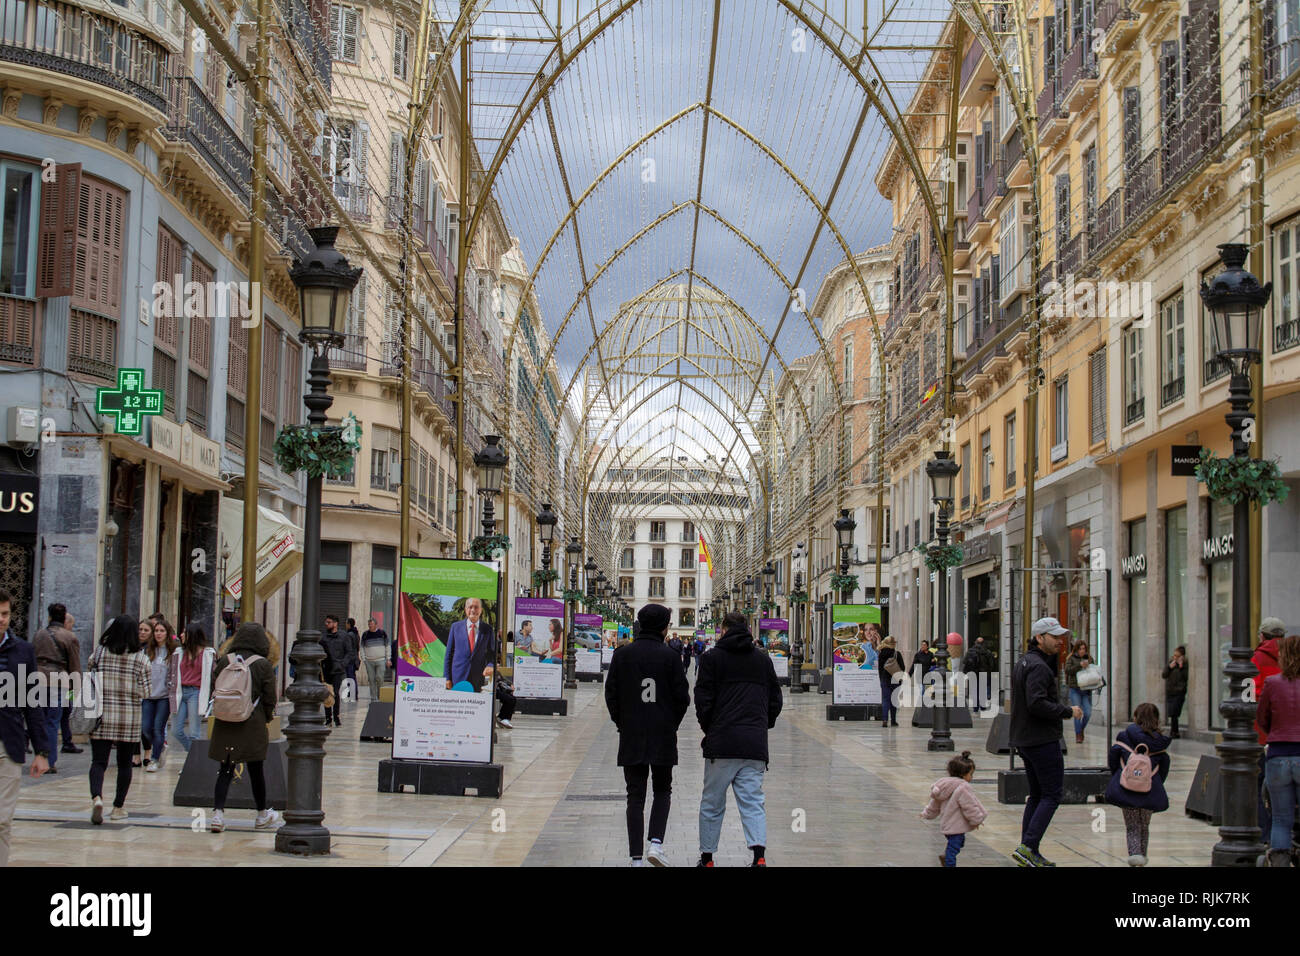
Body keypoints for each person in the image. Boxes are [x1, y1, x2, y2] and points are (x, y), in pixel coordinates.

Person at [695, 611, 783, 867]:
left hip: (721, 745)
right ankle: (759, 857)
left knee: (712, 803)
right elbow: (776, 699)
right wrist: (761, 726)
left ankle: (708, 858)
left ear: (723, 629)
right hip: (753, 745)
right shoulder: (762, 660)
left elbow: (703, 700)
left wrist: (710, 728)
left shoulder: (711, 659)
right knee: (753, 802)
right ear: (747, 629)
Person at [605, 604, 690, 866]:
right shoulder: (670, 657)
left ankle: (635, 858)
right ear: (664, 628)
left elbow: (611, 695)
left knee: (635, 795)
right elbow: (683, 698)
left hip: (632, 733)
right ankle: (656, 843)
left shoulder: (622, 655)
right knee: (663, 790)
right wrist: (671, 724)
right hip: (663, 734)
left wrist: (622, 722)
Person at [1008, 617, 1083, 867]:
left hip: (1026, 738)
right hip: (1041, 739)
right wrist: (1066, 711)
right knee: (1052, 794)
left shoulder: (1024, 662)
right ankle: (1028, 845)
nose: (1060, 641)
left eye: (1061, 636)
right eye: (1054, 637)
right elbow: (1037, 702)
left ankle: (1028, 850)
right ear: (1040, 638)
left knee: (1037, 794)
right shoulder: (1039, 667)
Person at [208, 622, 282, 833]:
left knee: (225, 768)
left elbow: (215, 687)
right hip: (252, 722)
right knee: (256, 770)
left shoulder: (224, 661)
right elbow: (270, 697)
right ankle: (261, 814)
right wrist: (267, 717)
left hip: (226, 722)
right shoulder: (262, 664)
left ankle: (218, 814)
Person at [0, 589, 50, 865]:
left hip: (9, 744)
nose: (1, 619)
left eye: (5, 614)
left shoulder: (23, 651)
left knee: (2, 819)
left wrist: (42, 751)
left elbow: (33, 703)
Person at [87, 616, 150, 824]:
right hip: (129, 718)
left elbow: (90, 673)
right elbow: (146, 692)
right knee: (124, 764)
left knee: (98, 762)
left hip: (101, 715)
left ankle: (97, 797)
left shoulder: (100, 653)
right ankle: (118, 807)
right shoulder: (141, 659)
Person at [1105, 702, 1172, 867]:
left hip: (1127, 790)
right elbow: (1164, 767)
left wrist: (1121, 776)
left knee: (1132, 826)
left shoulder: (1124, 738)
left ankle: (1135, 856)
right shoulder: (1160, 744)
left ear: (1135, 718)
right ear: (1156, 720)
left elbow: (1113, 759)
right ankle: (1142, 857)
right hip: (1149, 791)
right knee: (1144, 826)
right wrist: (1153, 782)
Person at [1258, 634, 1300, 867]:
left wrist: (1275, 731)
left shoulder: (1273, 683)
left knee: (1281, 818)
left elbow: (1261, 718)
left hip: (1278, 755)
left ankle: (1281, 862)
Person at [32, 603, 81, 774]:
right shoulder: (69, 637)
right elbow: (74, 664)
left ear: (50, 617)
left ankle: (39, 755)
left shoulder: (39, 634)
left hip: (37, 679)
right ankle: (49, 760)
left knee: (38, 719)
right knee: (52, 721)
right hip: (58, 680)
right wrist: (75, 688)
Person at [921, 750, 987, 866]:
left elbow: (935, 803)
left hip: (947, 824)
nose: (971, 777)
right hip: (957, 826)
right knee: (954, 849)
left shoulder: (944, 785)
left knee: (958, 843)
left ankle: (946, 857)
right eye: (970, 774)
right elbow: (969, 806)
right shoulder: (963, 787)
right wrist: (977, 820)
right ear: (963, 774)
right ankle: (949, 862)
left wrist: (927, 813)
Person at [1252, 618, 1286, 840]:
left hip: (1262, 736)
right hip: (1290, 738)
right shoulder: (1293, 658)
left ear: (1263, 636)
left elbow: (1250, 699)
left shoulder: (1256, 659)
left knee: (1256, 786)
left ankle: (1266, 834)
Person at [170, 625, 214, 753]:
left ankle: (193, 761)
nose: (181, 635)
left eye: (185, 633)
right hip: (180, 691)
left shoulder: (207, 654)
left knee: (195, 731)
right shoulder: (179, 652)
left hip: (196, 692)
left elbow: (211, 675)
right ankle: (194, 754)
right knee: (176, 730)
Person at [141, 618, 176, 770]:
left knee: (157, 728)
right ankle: (159, 746)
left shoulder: (173, 652)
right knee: (145, 728)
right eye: (156, 631)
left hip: (164, 696)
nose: (158, 634)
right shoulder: (147, 651)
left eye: (162, 631)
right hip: (148, 695)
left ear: (167, 633)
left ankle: (154, 759)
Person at [444, 598, 496, 692]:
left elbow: (492, 654)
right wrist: (447, 678)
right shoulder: (455, 627)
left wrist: (490, 665)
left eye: (476, 607)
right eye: (470, 607)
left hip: (477, 678)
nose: (473, 610)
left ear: (481, 610)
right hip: (457, 677)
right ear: (465, 609)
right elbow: (449, 654)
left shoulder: (487, 629)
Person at [1064, 639, 1095, 744]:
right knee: (1077, 712)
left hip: (1086, 689)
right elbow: (1067, 670)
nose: (1082, 651)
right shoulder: (1071, 658)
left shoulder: (1089, 658)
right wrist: (1079, 666)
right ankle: (1078, 734)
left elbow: (1093, 671)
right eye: (1080, 649)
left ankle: (1081, 729)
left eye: (1084, 649)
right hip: (1075, 688)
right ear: (1076, 649)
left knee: (1088, 712)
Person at [320, 614, 348, 726]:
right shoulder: (323, 637)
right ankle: (328, 718)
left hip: (338, 669)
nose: (326, 624)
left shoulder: (344, 636)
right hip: (326, 669)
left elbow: (350, 652)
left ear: (335, 623)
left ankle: (336, 717)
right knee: (327, 693)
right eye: (326, 622)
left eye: (329, 622)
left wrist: (342, 664)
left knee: (335, 692)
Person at [1162, 645, 1188, 740]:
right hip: (1170, 691)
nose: (1175, 658)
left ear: (1182, 656)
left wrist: (1181, 667)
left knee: (1174, 712)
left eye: (1177, 656)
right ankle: (1175, 732)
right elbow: (1164, 675)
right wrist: (1169, 667)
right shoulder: (1171, 663)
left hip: (1179, 691)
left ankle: (1174, 732)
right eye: (1174, 656)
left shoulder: (1185, 665)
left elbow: (1186, 677)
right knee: (1172, 713)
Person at [360, 617, 390, 700]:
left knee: (379, 678)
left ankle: (380, 695)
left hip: (381, 660)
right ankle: (373, 697)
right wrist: (364, 658)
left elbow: (387, 646)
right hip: (369, 661)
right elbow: (361, 647)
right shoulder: (365, 634)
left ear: (376, 625)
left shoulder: (382, 633)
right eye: (369, 624)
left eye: (371, 624)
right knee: (371, 679)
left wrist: (388, 658)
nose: (370, 626)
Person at [877, 636, 902, 727]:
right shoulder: (896, 654)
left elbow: (880, 668)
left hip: (884, 680)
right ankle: (893, 721)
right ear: (893, 643)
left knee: (885, 700)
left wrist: (881, 678)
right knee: (894, 700)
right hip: (895, 680)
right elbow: (902, 667)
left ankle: (884, 719)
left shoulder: (881, 654)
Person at [344, 618, 361, 691]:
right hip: (354, 658)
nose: (345, 625)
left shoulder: (349, 635)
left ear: (349, 624)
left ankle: (352, 694)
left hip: (350, 659)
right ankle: (354, 694)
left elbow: (349, 648)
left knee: (350, 677)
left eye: (346, 623)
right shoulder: (356, 633)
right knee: (352, 677)